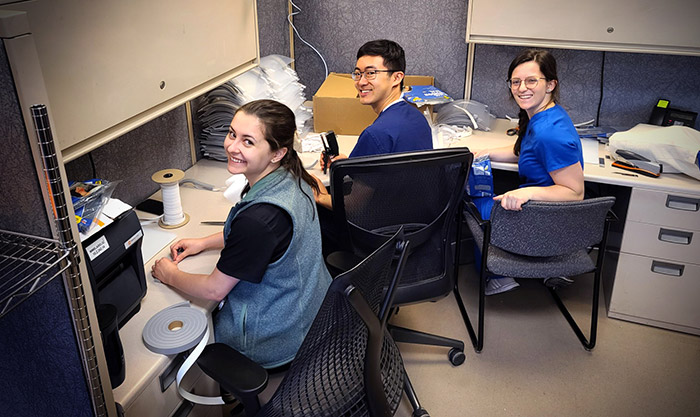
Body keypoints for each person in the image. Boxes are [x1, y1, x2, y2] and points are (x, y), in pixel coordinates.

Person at [151, 99, 332, 368]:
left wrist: (170, 274)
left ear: (277, 153)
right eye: (232, 133)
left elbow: (214, 289)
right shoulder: (296, 177)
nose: (232, 147)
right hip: (309, 312)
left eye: (248, 141)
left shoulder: (260, 220)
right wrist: (204, 243)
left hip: (275, 339)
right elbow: (267, 240)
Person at [472, 49, 585, 295]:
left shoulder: (550, 133)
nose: (522, 87)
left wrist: (527, 193)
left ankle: (499, 275)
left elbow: (575, 193)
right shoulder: (544, 115)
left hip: (542, 217)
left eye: (532, 80)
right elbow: (525, 152)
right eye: (516, 81)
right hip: (547, 211)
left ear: (550, 84)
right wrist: (483, 151)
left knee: (474, 202)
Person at [314, 39, 433, 210]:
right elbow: (392, 171)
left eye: (370, 73)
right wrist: (349, 164)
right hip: (415, 220)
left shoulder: (376, 134)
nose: (361, 82)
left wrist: (320, 196)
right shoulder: (417, 118)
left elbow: (354, 206)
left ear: (396, 77)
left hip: (381, 227)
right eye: (358, 73)